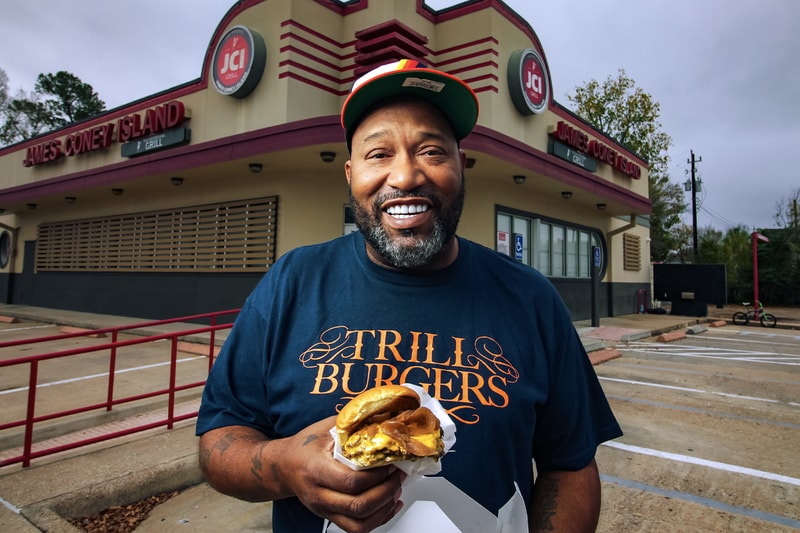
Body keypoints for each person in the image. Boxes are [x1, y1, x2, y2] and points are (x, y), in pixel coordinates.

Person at [196, 59, 622, 532]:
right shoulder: (291, 283)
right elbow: (219, 442)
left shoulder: (531, 298)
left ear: (462, 166)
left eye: (432, 151)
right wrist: (286, 467)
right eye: (379, 154)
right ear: (350, 173)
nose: (405, 176)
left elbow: (571, 464)